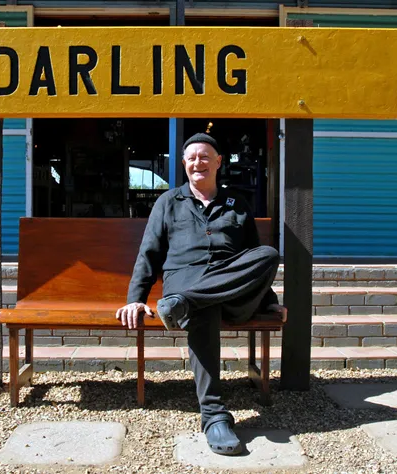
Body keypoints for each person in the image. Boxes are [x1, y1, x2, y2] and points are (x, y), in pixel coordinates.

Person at [115, 132, 285, 456]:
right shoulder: (168, 202)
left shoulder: (237, 204)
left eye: (205, 156)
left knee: (268, 254)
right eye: (191, 158)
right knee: (205, 307)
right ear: (183, 164)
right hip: (185, 283)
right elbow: (149, 253)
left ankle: (186, 302)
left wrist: (269, 301)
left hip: (226, 294)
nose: (198, 163)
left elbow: (253, 260)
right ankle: (214, 416)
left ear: (218, 162)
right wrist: (135, 298)